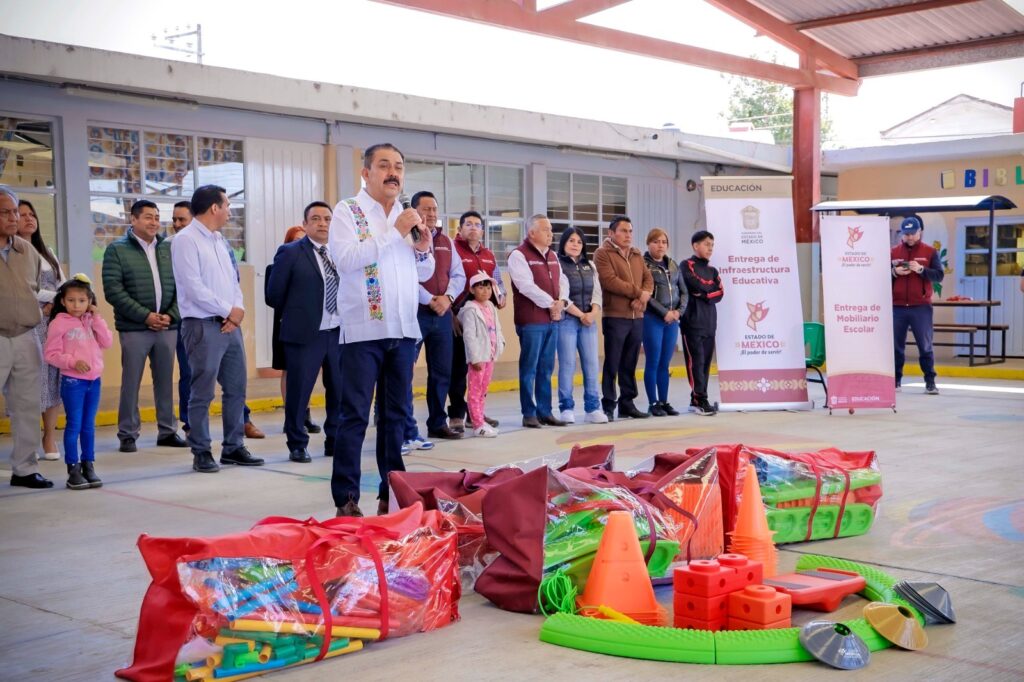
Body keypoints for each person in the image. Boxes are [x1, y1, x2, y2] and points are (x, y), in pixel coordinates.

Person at [328, 143, 434, 518]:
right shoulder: (348, 211)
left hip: (403, 330)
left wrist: (422, 246)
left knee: (395, 416)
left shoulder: (406, 216)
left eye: (399, 167)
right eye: (384, 165)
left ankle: (393, 491)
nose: (393, 173)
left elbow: (422, 273)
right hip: (363, 331)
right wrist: (394, 231)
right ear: (366, 172)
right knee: (354, 415)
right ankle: (347, 498)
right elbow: (344, 259)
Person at [171, 185, 265, 473]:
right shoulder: (185, 240)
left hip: (229, 325)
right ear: (214, 207)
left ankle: (233, 447)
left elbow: (233, 281)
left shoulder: (219, 240)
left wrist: (237, 313)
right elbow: (192, 286)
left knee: (236, 388)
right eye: (226, 206)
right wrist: (227, 310)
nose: (228, 212)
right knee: (202, 391)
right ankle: (201, 450)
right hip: (202, 325)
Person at [102, 199, 186, 452]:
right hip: (135, 328)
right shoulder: (117, 250)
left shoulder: (169, 248)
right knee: (131, 382)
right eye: (148, 217)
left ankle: (168, 430)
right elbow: (113, 290)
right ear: (134, 219)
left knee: (164, 381)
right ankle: (127, 433)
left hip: (167, 327)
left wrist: (170, 316)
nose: (154, 222)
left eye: (157, 217)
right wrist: (145, 316)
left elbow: (183, 286)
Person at [266, 203, 343, 464]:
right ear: (305, 223)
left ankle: (334, 439)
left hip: (338, 332)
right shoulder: (290, 252)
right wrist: (302, 310)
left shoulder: (340, 252)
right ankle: (297, 443)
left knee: (339, 391)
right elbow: (273, 294)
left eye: (328, 219)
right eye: (316, 219)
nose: (323, 223)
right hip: (305, 334)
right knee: (299, 393)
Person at [0, 186, 53, 488]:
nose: (13, 218)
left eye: (15, 211)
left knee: (27, 405)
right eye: (5, 212)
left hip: (25, 336)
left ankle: (25, 468)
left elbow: (34, 288)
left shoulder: (26, 250)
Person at [43, 274, 113, 489]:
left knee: (88, 426)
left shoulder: (91, 321)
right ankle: (73, 468)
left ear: (89, 301)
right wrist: (72, 362)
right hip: (73, 382)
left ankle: (88, 464)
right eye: (71, 300)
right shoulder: (59, 323)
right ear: (62, 301)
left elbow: (107, 342)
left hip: (94, 381)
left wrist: (97, 318)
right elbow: (50, 354)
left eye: (82, 301)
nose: (76, 305)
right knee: (74, 424)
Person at [410, 190, 465, 441]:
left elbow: (459, 275)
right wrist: (428, 299)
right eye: (426, 209)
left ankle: (436, 422)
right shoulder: (406, 238)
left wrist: (447, 299)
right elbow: (405, 275)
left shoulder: (447, 241)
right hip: (415, 312)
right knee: (404, 370)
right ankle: (405, 427)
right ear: (414, 211)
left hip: (442, 314)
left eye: (434, 209)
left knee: (441, 371)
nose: (431, 214)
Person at [448, 210, 505, 433]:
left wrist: (502, 297)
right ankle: (456, 414)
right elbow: (446, 279)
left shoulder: (488, 254)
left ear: (482, 230)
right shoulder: (453, 250)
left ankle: (476, 414)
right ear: (460, 229)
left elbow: (497, 281)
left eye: (477, 224)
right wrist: (451, 315)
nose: (473, 227)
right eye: (468, 224)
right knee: (458, 369)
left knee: (481, 371)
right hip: (460, 315)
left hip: (483, 318)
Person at [593, 216, 653, 421]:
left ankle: (627, 403)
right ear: (611, 233)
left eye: (630, 231)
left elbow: (648, 279)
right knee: (613, 362)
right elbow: (610, 281)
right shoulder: (602, 254)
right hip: (615, 316)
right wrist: (639, 294)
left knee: (630, 362)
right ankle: (608, 405)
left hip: (637, 316)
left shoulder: (636, 254)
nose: (628, 235)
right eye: (623, 231)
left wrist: (643, 297)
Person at [16, 199, 63, 459]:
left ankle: (50, 438)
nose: (28, 219)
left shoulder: (47, 251)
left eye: (31, 214)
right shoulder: (11, 253)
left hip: (51, 325)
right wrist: (50, 298)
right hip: (26, 323)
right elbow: (22, 290)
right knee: (29, 382)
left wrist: (57, 300)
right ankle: (28, 440)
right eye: (21, 215)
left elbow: (62, 284)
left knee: (52, 379)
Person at [508, 214, 565, 428]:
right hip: (531, 320)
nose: (550, 233)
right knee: (529, 368)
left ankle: (545, 411)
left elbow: (562, 281)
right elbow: (525, 286)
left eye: (551, 229)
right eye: (545, 229)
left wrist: (562, 302)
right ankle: (528, 413)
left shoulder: (552, 255)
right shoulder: (518, 255)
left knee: (546, 368)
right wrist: (552, 303)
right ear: (531, 233)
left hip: (552, 320)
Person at [265, 225, 318, 432]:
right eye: (296, 240)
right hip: (286, 325)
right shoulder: (275, 267)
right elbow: (272, 298)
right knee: (289, 370)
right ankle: (292, 416)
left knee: (307, 373)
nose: (301, 244)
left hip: (311, 326)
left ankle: (305, 413)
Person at [555, 226, 606, 424]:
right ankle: (566, 407)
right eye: (571, 241)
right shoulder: (558, 265)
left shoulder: (590, 266)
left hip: (588, 322)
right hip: (568, 320)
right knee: (567, 365)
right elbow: (561, 295)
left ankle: (593, 408)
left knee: (592, 365)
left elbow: (597, 293)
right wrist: (580, 314)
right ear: (564, 243)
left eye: (579, 242)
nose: (575, 245)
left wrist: (592, 313)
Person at [891, 215, 944, 395]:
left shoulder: (930, 252)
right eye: (906, 234)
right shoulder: (893, 252)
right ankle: (895, 380)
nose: (910, 238)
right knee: (896, 346)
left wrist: (921, 270)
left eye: (913, 234)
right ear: (902, 234)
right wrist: (894, 272)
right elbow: (881, 276)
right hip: (897, 307)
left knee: (925, 345)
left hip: (921, 307)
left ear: (920, 232)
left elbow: (939, 275)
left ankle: (930, 381)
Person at [642, 228, 686, 417]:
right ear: (648, 243)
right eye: (656, 241)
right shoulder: (643, 265)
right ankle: (653, 403)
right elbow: (646, 295)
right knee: (653, 361)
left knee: (665, 363)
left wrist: (677, 312)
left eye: (664, 242)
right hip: (653, 319)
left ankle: (664, 401)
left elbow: (684, 292)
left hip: (672, 321)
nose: (660, 245)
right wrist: (664, 313)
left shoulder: (674, 265)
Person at [457, 273, 506, 437]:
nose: (485, 291)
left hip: (490, 355)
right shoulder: (470, 309)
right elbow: (469, 335)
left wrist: (501, 344)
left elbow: (496, 327)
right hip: (479, 356)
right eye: (480, 287)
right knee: (475, 391)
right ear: (472, 289)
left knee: (483, 390)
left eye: (487, 287)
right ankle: (477, 424)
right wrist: (475, 357)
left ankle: (480, 419)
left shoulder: (491, 307)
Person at [681, 230, 723, 416]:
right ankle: (700, 399)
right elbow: (694, 284)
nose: (710, 248)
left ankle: (697, 398)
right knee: (695, 362)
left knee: (705, 363)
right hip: (692, 322)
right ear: (695, 245)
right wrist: (708, 291)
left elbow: (720, 292)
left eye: (712, 245)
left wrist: (705, 294)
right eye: (707, 244)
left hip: (709, 323)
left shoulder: (713, 271)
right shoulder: (686, 265)